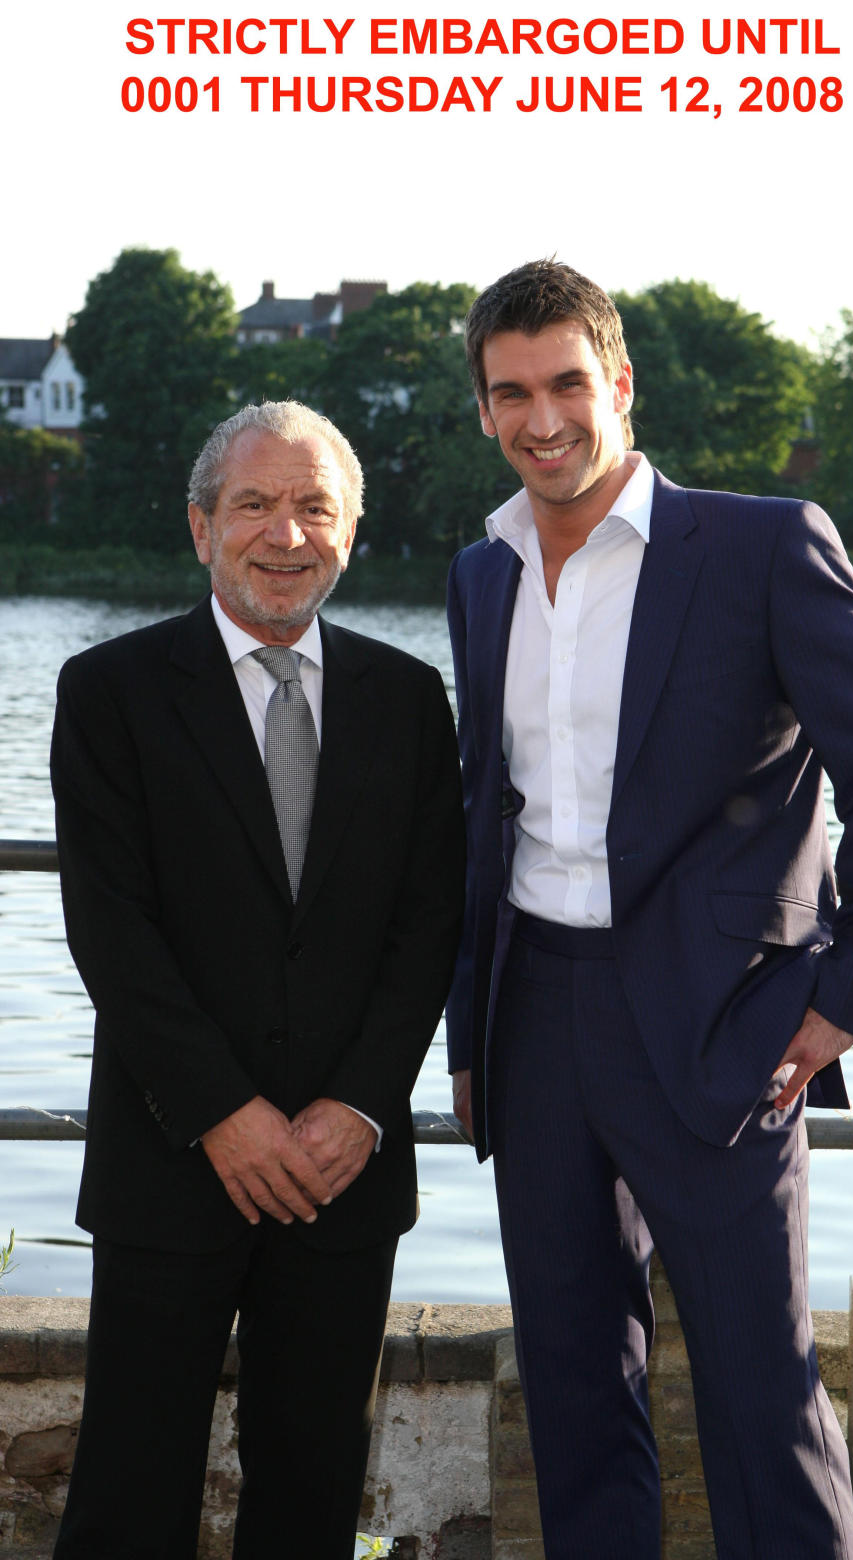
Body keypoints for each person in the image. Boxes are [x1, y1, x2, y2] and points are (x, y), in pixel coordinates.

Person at [445, 260, 853, 1558]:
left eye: (567, 381)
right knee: (570, 1383)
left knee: (757, 1388)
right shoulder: (481, 575)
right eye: (512, 393)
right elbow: (481, 818)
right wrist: (470, 1033)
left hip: (729, 1022)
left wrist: (847, 993)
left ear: (619, 382)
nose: (543, 417)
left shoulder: (763, 545)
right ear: (487, 409)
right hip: (537, 1022)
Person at [50, 400, 464, 1559]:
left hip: (346, 1173)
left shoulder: (408, 698)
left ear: (350, 529)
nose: (286, 533)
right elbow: (111, 931)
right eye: (255, 505)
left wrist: (364, 1105)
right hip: (170, 1160)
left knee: (313, 1493)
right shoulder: (110, 692)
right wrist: (224, 1118)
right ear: (201, 528)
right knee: (129, 1494)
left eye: (314, 506)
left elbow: (429, 927)